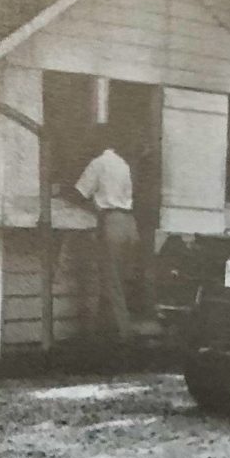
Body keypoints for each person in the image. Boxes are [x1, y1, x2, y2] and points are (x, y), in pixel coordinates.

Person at [75, 127, 138, 333]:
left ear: (99, 142)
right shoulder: (123, 164)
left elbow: (80, 192)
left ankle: (124, 333)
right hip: (130, 223)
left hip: (112, 222)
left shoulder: (98, 163)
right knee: (122, 278)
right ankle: (107, 328)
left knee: (112, 281)